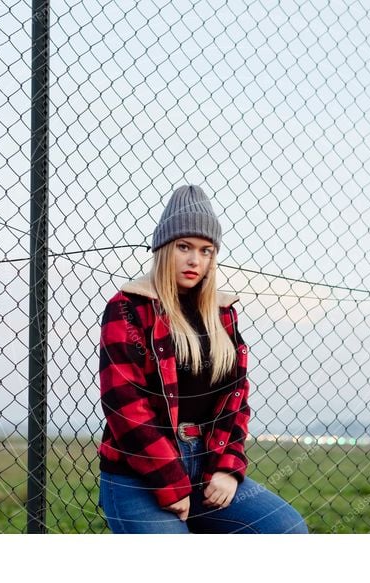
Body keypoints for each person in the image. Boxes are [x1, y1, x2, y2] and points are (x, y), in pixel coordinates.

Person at [96, 184, 308, 534]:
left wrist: (227, 468)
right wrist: (170, 482)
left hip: (206, 467)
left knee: (287, 530)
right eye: (184, 247)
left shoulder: (222, 314)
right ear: (164, 248)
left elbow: (235, 400)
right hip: (139, 476)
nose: (196, 260)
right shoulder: (129, 308)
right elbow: (125, 406)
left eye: (206, 250)